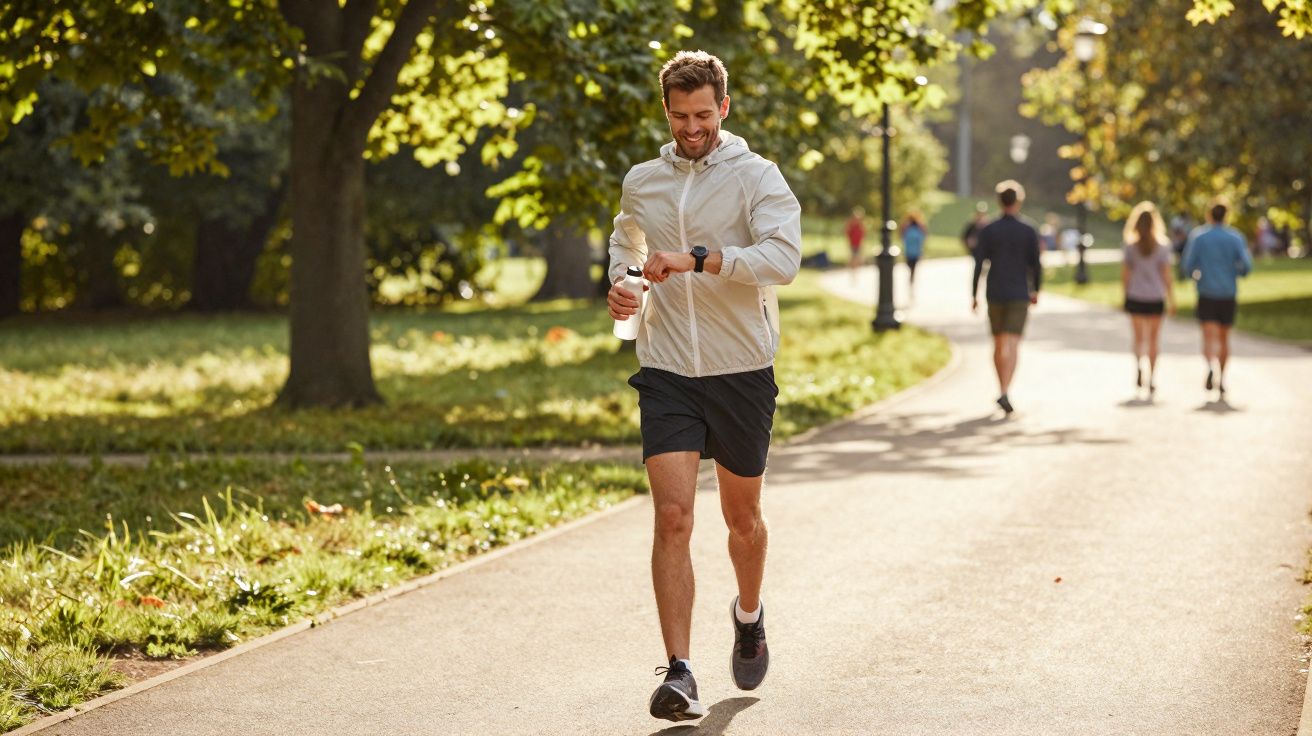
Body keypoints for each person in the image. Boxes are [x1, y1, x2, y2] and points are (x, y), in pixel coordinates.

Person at [605, 50, 801, 723]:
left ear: (724, 106)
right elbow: (627, 242)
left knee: (742, 520)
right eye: (679, 116)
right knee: (673, 516)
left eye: (703, 115)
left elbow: (783, 258)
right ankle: (680, 672)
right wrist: (624, 283)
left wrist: (698, 260)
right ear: (666, 111)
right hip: (667, 371)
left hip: (741, 369)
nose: (692, 128)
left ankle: (748, 614)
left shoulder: (757, 177)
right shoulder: (643, 180)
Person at [971, 180, 1041, 415]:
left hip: (996, 291)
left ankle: (1001, 388)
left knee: (999, 343)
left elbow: (978, 264)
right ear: (1018, 201)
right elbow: (1036, 264)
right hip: (1019, 292)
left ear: (999, 201)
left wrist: (973, 294)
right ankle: (1005, 391)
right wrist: (1036, 290)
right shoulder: (1028, 230)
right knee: (1012, 343)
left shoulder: (989, 230)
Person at [1181, 199, 1252, 398]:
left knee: (1208, 337)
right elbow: (1246, 266)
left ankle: (1210, 365)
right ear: (1226, 215)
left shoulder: (1199, 237)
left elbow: (1188, 265)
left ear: (1209, 215)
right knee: (1224, 338)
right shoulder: (1235, 237)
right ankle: (1222, 377)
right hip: (1228, 293)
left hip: (1206, 293)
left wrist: (1196, 276)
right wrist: (1234, 273)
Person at [1120, 201, 1177, 397]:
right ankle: (1151, 377)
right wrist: (1172, 298)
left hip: (1135, 296)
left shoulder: (1130, 246)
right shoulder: (1163, 246)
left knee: (1138, 338)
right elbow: (1166, 276)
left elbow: (1125, 275)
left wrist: (1124, 295)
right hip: (1155, 297)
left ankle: (1138, 366)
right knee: (1153, 339)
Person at [901, 211, 927, 288]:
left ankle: (911, 280)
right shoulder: (908, 228)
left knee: (912, 268)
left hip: (912, 252)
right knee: (911, 268)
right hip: (912, 252)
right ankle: (911, 279)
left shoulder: (917, 228)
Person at [846, 206, 866, 275]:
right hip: (853, 244)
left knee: (857, 257)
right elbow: (847, 233)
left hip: (858, 244)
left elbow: (863, 235)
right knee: (853, 257)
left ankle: (855, 270)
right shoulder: (851, 225)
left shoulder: (860, 226)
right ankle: (853, 269)